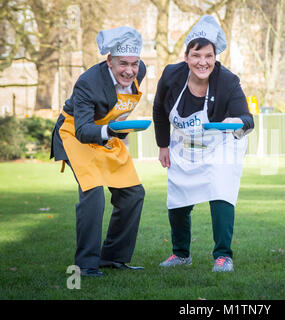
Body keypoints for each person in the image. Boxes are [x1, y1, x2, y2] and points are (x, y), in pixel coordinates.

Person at [153, 15, 254, 272]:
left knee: (221, 192)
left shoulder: (228, 81)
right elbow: (158, 110)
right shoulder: (170, 75)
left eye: (209, 56)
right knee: (177, 198)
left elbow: (247, 119)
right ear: (186, 56)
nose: (203, 62)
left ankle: (223, 255)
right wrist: (163, 145)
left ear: (215, 57)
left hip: (220, 145)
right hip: (183, 143)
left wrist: (236, 120)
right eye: (197, 55)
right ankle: (180, 254)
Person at [50, 26, 147, 277]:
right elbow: (82, 130)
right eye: (123, 64)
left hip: (107, 132)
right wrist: (113, 131)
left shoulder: (140, 71)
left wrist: (122, 127)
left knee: (133, 193)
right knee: (93, 194)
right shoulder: (87, 82)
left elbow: (119, 104)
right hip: (75, 134)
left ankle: (113, 258)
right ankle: (85, 265)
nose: (130, 70)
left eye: (134, 64)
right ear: (109, 61)